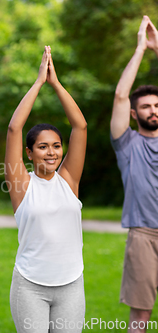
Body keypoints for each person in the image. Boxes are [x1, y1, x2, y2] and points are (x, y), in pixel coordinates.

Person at [5, 46, 87, 333]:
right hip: (30, 286)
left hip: (71, 285)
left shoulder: (69, 180)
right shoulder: (22, 184)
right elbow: (15, 129)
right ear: (29, 153)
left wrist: (56, 84)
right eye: (42, 147)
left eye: (56, 146)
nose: (51, 153)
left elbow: (80, 126)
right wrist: (39, 82)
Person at [111, 15, 158, 333]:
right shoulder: (127, 144)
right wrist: (141, 47)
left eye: (157, 105)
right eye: (146, 107)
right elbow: (119, 95)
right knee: (140, 318)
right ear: (134, 113)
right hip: (143, 237)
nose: (153, 110)